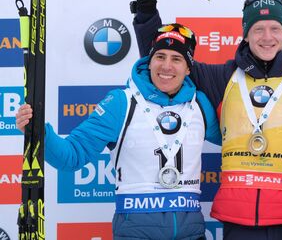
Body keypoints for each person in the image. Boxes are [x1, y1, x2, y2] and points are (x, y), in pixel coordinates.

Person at [130, 0, 282, 239]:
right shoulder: (224, 77)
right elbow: (168, 63)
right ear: (246, 34)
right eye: (258, 29)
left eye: (274, 29)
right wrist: (146, 9)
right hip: (239, 220)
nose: (266, 37)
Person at [16, 23, 221, 240]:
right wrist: (39, 133)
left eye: (176, 59)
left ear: (188, 68)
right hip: (136, 234)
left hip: (192, 234)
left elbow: (234, 141)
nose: (166, 66)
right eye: (160, 56)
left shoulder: (200, 104)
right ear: (149, 61)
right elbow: (72, 156)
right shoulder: (121, 102)